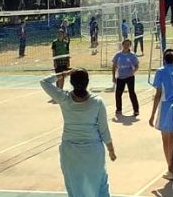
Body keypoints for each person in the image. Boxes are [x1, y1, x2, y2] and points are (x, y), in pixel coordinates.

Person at [40, 68, 116, 196]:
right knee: (100, 186)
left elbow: (44, 82)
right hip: (93, 151)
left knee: (74, 187)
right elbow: (104, 130)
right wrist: (111, 150)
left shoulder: (64, 98)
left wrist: (63, 74)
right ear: (87, 82)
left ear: (71, 82)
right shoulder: (97, 102)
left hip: (70, 152)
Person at [149, 49, 173, 181]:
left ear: (164, 58)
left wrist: (152, 114)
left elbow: (158, 93)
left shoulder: (161, 71)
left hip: (166, 107)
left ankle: (171, 168)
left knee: (167, 140)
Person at [112, 39, 140, 116]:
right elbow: (114, 66)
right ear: (122, 44)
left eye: (128, 44)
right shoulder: (118, 55)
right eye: (125, 44)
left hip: (129, 77)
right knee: (118, 94)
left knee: (132, 93)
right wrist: (113, 76)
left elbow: (137, 66)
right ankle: (119, 109)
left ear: (130, 46)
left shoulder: (132, 55)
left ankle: (136, 110)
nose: (126, 46)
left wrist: (133, 72)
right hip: (120, 77)